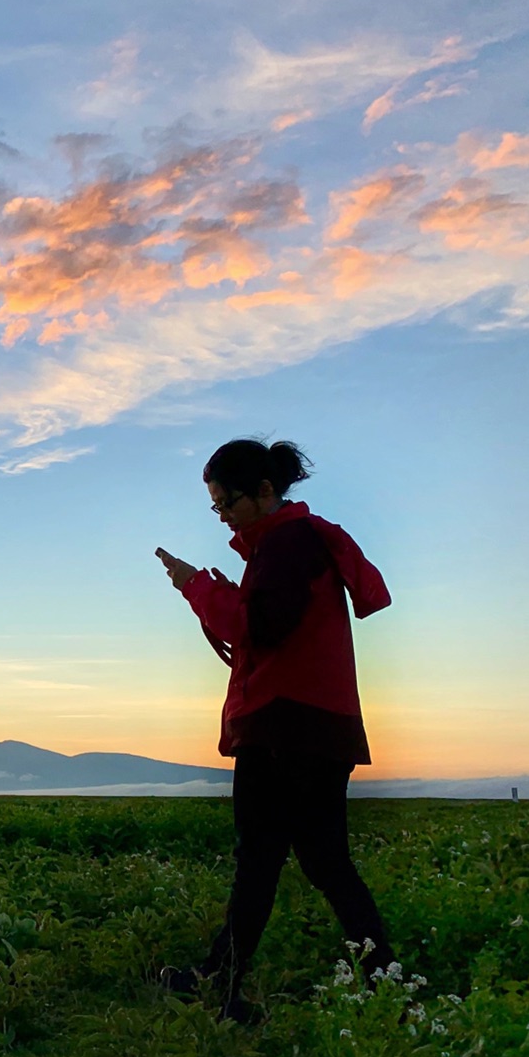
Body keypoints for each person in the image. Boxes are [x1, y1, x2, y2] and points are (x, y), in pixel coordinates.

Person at [152, 438, 394, 1023]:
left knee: (261, 856)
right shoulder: (291, 542)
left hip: (285, 725)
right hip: (318, 726)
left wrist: (195, 586)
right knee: (322, 858)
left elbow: (260, 627)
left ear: (264, 491)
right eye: (216, 508)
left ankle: (223, 985)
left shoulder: (286, 544)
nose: (223, 516)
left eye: (226, 503)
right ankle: (384, 978)